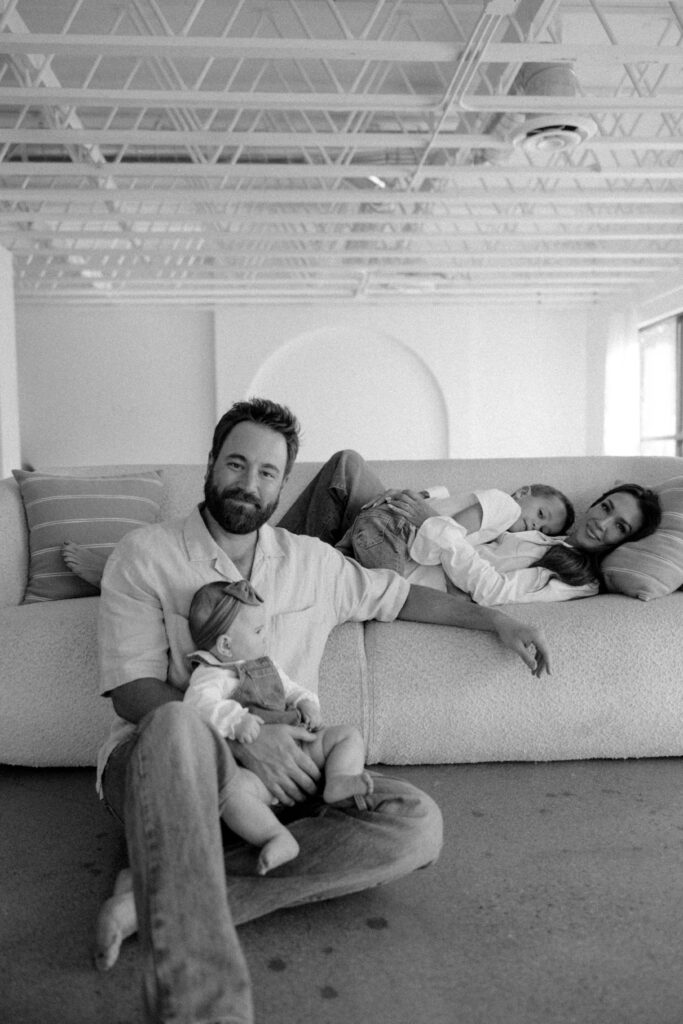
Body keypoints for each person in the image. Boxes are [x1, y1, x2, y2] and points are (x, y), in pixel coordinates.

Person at [92, 398, 551, 1024]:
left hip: (290, 775)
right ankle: (204, 1009)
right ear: (211, 464)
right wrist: (243, 739)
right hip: (174, 763)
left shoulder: (311, 562)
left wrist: (493, 617)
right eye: (237, 464)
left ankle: (155, 895)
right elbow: (131, 689)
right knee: (174, 722)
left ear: (283, 484)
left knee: (416, 823)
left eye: (267, 473)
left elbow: (397, 596)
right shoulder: (144, 554)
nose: (249, 484)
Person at [350, 480, 661, 606]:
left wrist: (432, 523)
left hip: (408, 572)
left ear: (625, 541)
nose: (601, 524)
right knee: (348, 467)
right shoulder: (541, 534)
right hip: (408, 544)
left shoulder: (577, 576)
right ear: (595, 504)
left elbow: (493, 591)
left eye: (619, 527)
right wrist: (418, 498)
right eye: (606, 508)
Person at [342, 481, 574, 578]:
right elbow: (450, 531)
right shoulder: (507, 506)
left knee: (339, 570)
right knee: (387, 593)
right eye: (541, 514)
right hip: (391, 529)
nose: (535, 525)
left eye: (544, 529)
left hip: (381, 525)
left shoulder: (499, 525)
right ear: (523, 493)